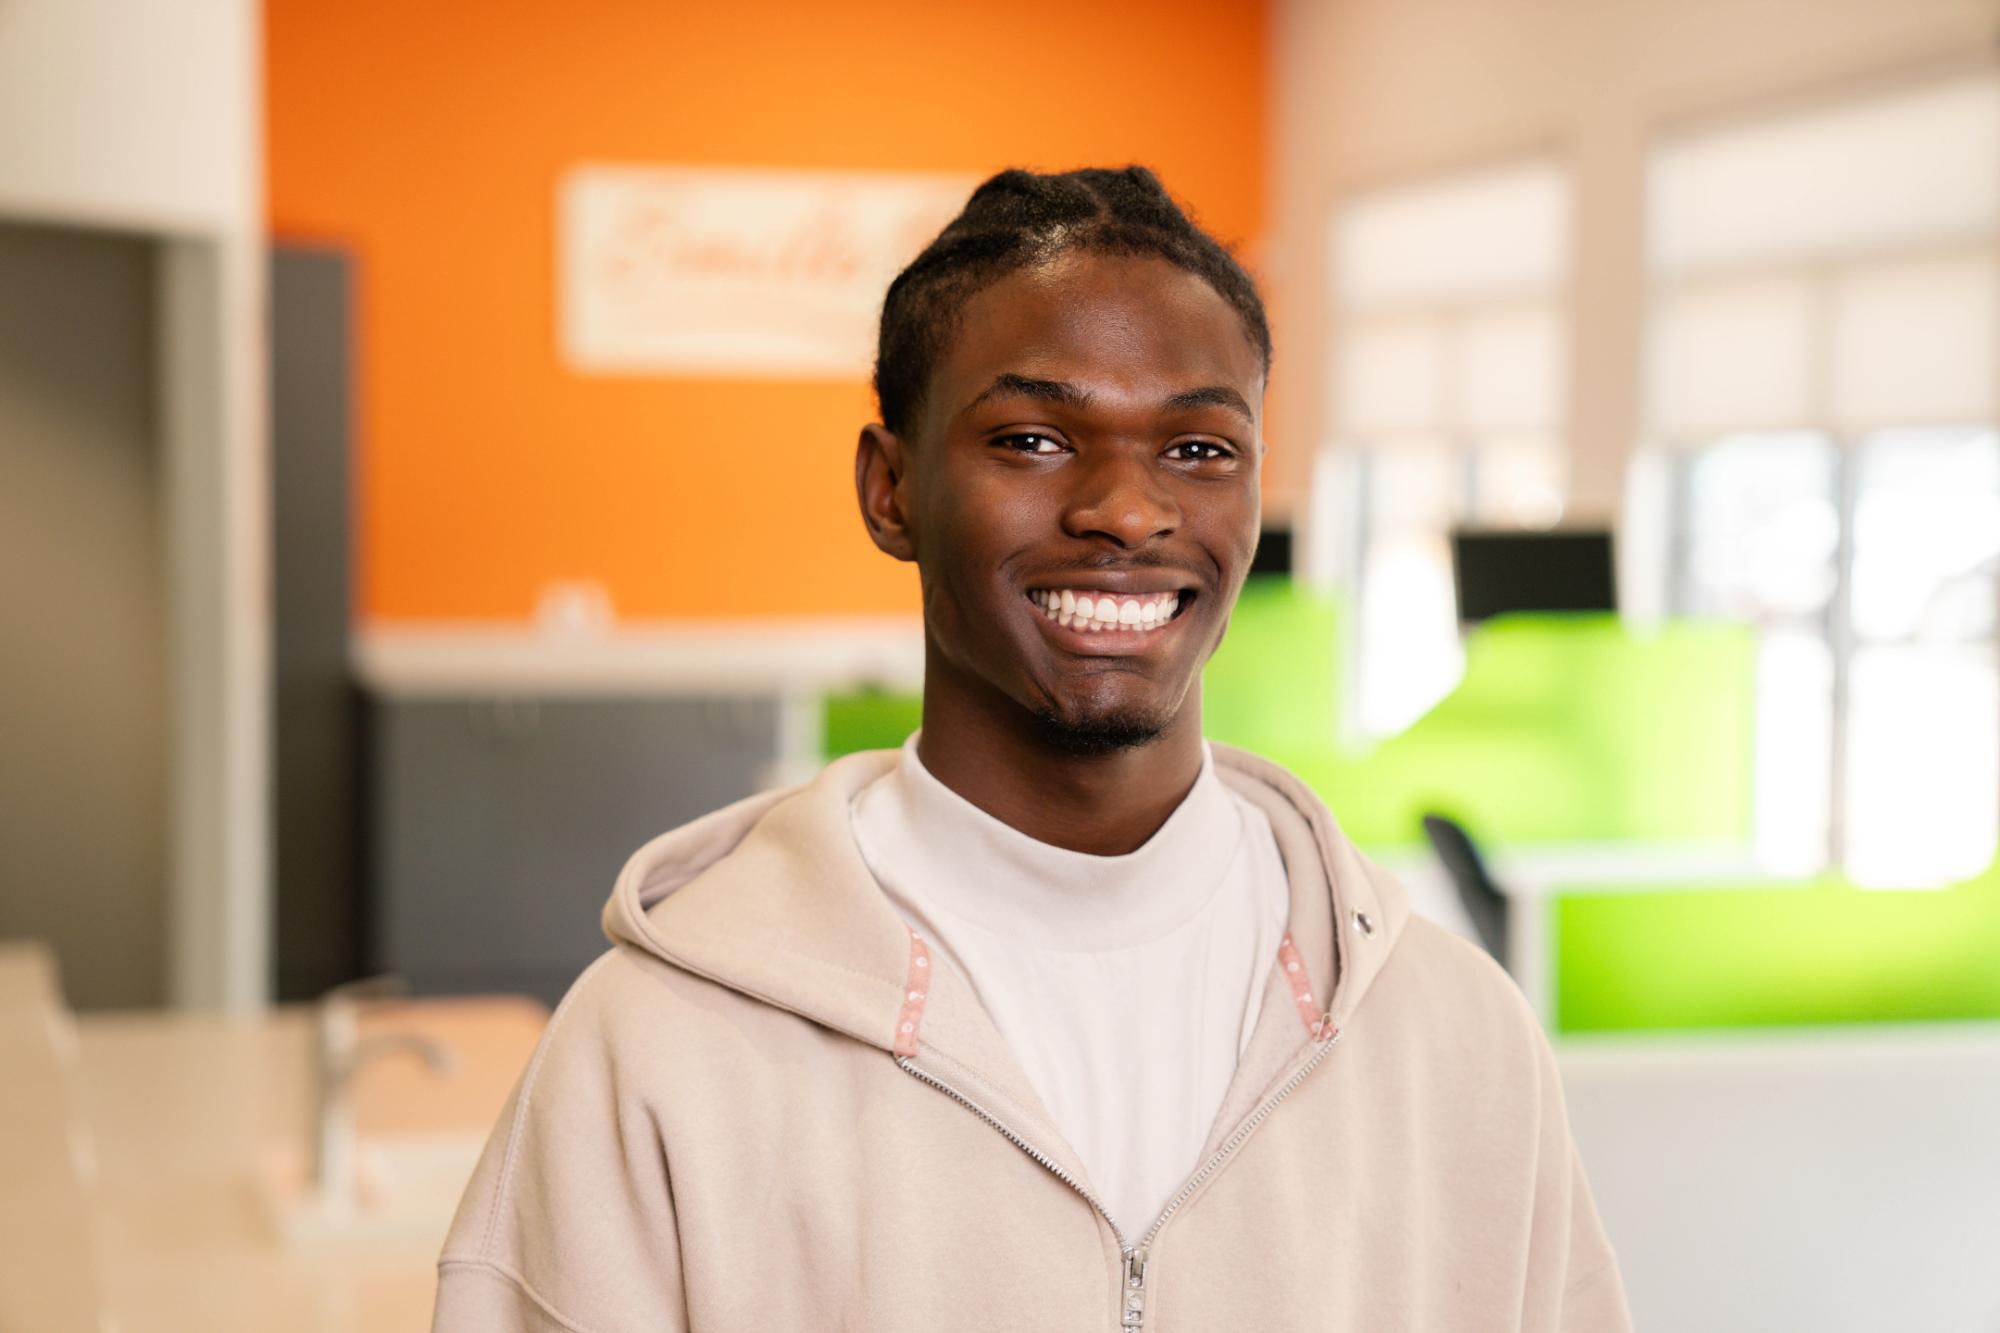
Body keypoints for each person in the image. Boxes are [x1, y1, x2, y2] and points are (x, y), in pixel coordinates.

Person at [432, 165, 1632, 1331]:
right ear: (890, 490)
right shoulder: (655, 1051)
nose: (1124, 508)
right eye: (1032, 440)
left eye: (1198, 449)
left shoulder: (1448, 1035)